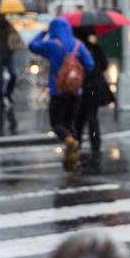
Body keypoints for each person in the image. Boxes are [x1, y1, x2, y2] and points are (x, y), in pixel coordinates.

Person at [29, 17, 94, 168]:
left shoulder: (52, 45)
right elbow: (90, 64)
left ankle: (71, 143)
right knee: (69, 123)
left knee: (57, 123)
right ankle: (71, 157)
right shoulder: (78, 45)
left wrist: (43, 32)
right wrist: (77, 77)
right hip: (75, 91)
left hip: (58, 91)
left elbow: (32, 46)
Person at [74, 33, 113, 154]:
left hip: (79, 86)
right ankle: (95, 144)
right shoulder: (95, 48)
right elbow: (104, 65)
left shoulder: (74, 49)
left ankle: (77, 142)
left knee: (78, 117)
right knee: (92, 116)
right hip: (94, 87)